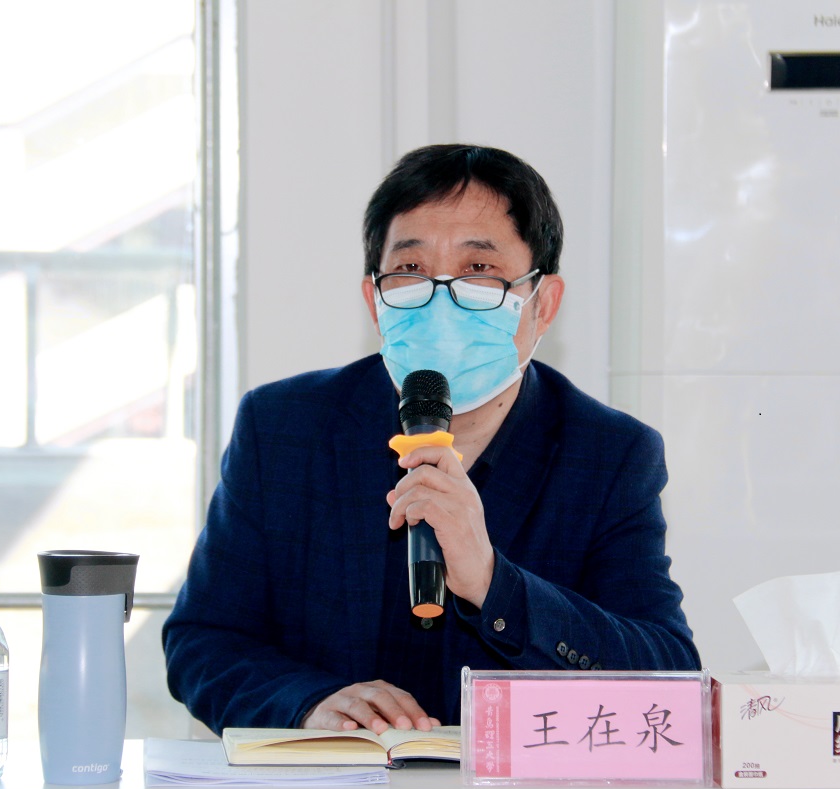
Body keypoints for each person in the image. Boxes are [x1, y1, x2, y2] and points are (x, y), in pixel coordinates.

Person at [162, 143, 699, 736]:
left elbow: (667, 676)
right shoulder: (283, 428)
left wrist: (494, 584)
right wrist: (307, 705)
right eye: (411, 271)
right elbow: (203, 640)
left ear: (543, 303)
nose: (441, 299)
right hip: (336, 778)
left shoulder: (609, 455)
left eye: (478, 270)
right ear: (374, 300)